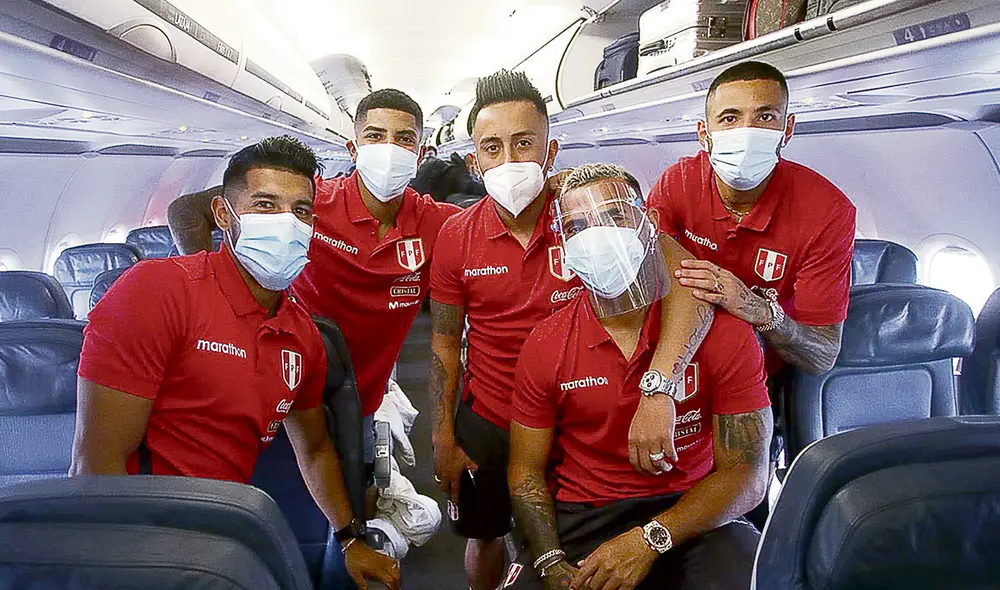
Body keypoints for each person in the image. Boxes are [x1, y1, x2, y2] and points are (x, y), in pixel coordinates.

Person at [71, 136, 400, 590]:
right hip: (145, 542)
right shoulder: (155, 293)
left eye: (301, 211)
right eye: (266, 205)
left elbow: (315, 447)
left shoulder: (302, 334)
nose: (286, 223)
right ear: (225, 215)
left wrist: (347, 538)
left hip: (225, 535)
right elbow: (96, 465)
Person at [428, 70, 712, 590]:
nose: (510, 160)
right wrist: (442, 434)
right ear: (475, 162)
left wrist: (661, 386)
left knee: (560, 541)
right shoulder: (455, 236)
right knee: (484, 534)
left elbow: (682, 276)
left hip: (575, 416)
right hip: (492, 415)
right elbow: (446, 341)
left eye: (524, 143)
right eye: (493, 148)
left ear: (550, 150)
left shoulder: (588, 216)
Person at [505, 163, 772, 590]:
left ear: (648, 223)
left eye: (613, 217)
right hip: (587, 511)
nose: (598, 237)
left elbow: (748, 475)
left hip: (691, 508)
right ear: (565, 245)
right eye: (577, 227)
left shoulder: (723, 333)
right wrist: (551, 561)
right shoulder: (547, 343)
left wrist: (649, 540)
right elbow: (525, 472)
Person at [167, 90, 461, 476]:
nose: (389, 149)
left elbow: (499, 225)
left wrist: (554, 190)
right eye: (374, 136)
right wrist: (211, 298)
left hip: (358, 400)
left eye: (404, 138)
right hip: (275, 382)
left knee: (354, 501)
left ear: (420, 155)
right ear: (353, 149)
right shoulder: (307, 201)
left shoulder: (438, 223)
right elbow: (186, 210)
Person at [649, 61, 856, 376]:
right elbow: (646, 280)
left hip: (764, 368)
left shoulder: (827, 212)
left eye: (766, 117)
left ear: (787, 129)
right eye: (730, 118)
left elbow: (823, 355)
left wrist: (758, 310)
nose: (747, 132)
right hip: (686, 352)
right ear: (704, 135)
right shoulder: (678, 183)